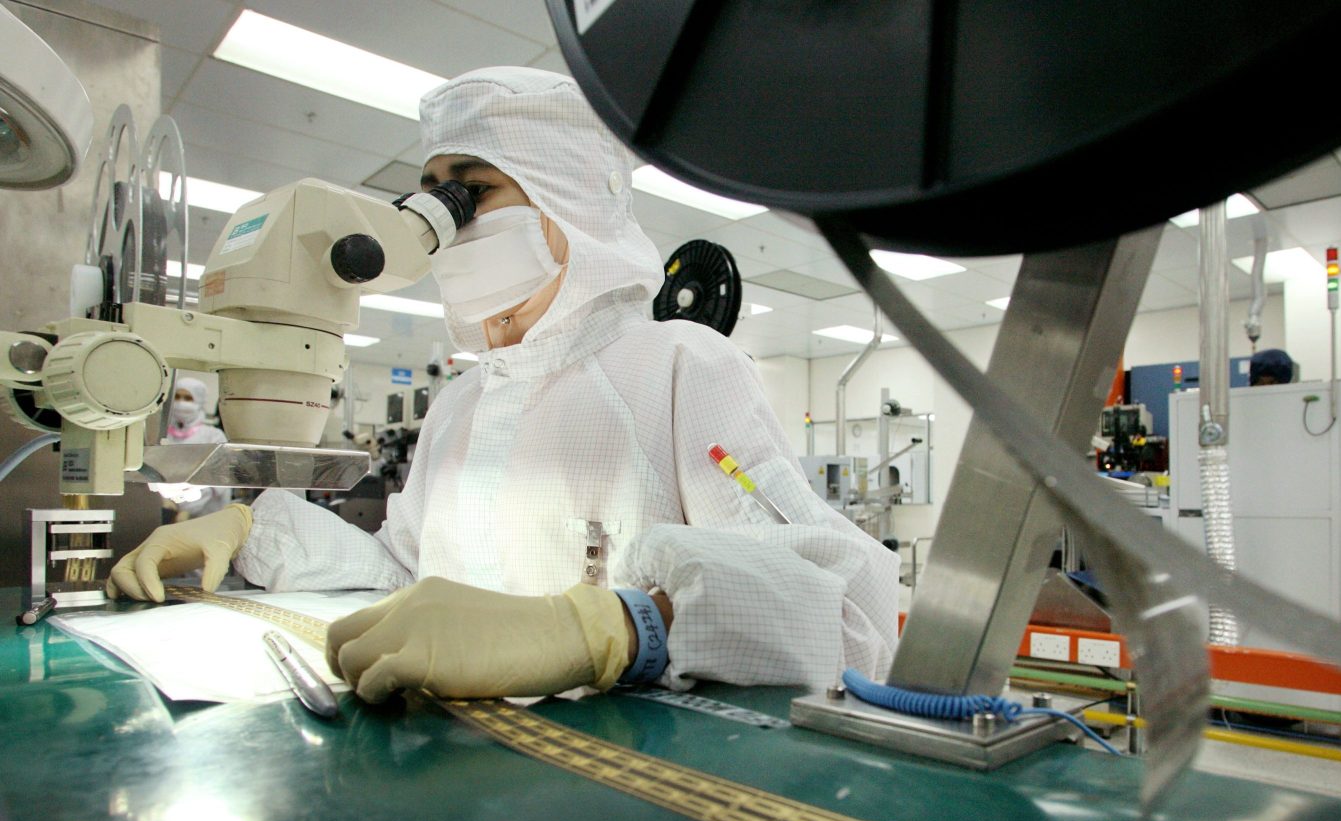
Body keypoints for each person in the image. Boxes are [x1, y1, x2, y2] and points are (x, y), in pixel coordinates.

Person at [106, 67, 898, 702]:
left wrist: (610, 630)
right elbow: (402, 572)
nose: (442, 226)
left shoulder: (682, 366)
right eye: (431, 194)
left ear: (568, 207)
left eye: (471, 192)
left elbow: (850, 617)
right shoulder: (464, 402)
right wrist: (249, 530)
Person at [149, 376, 232, 521]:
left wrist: (188, 509)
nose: (181, 403)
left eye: (188, 398)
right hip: (167, 512)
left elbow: (218, 479)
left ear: (199, 401)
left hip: (207, 515)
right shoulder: (163, 436)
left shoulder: (214, 437)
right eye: (177, 397)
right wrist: (164, 500)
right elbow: (153, 473)